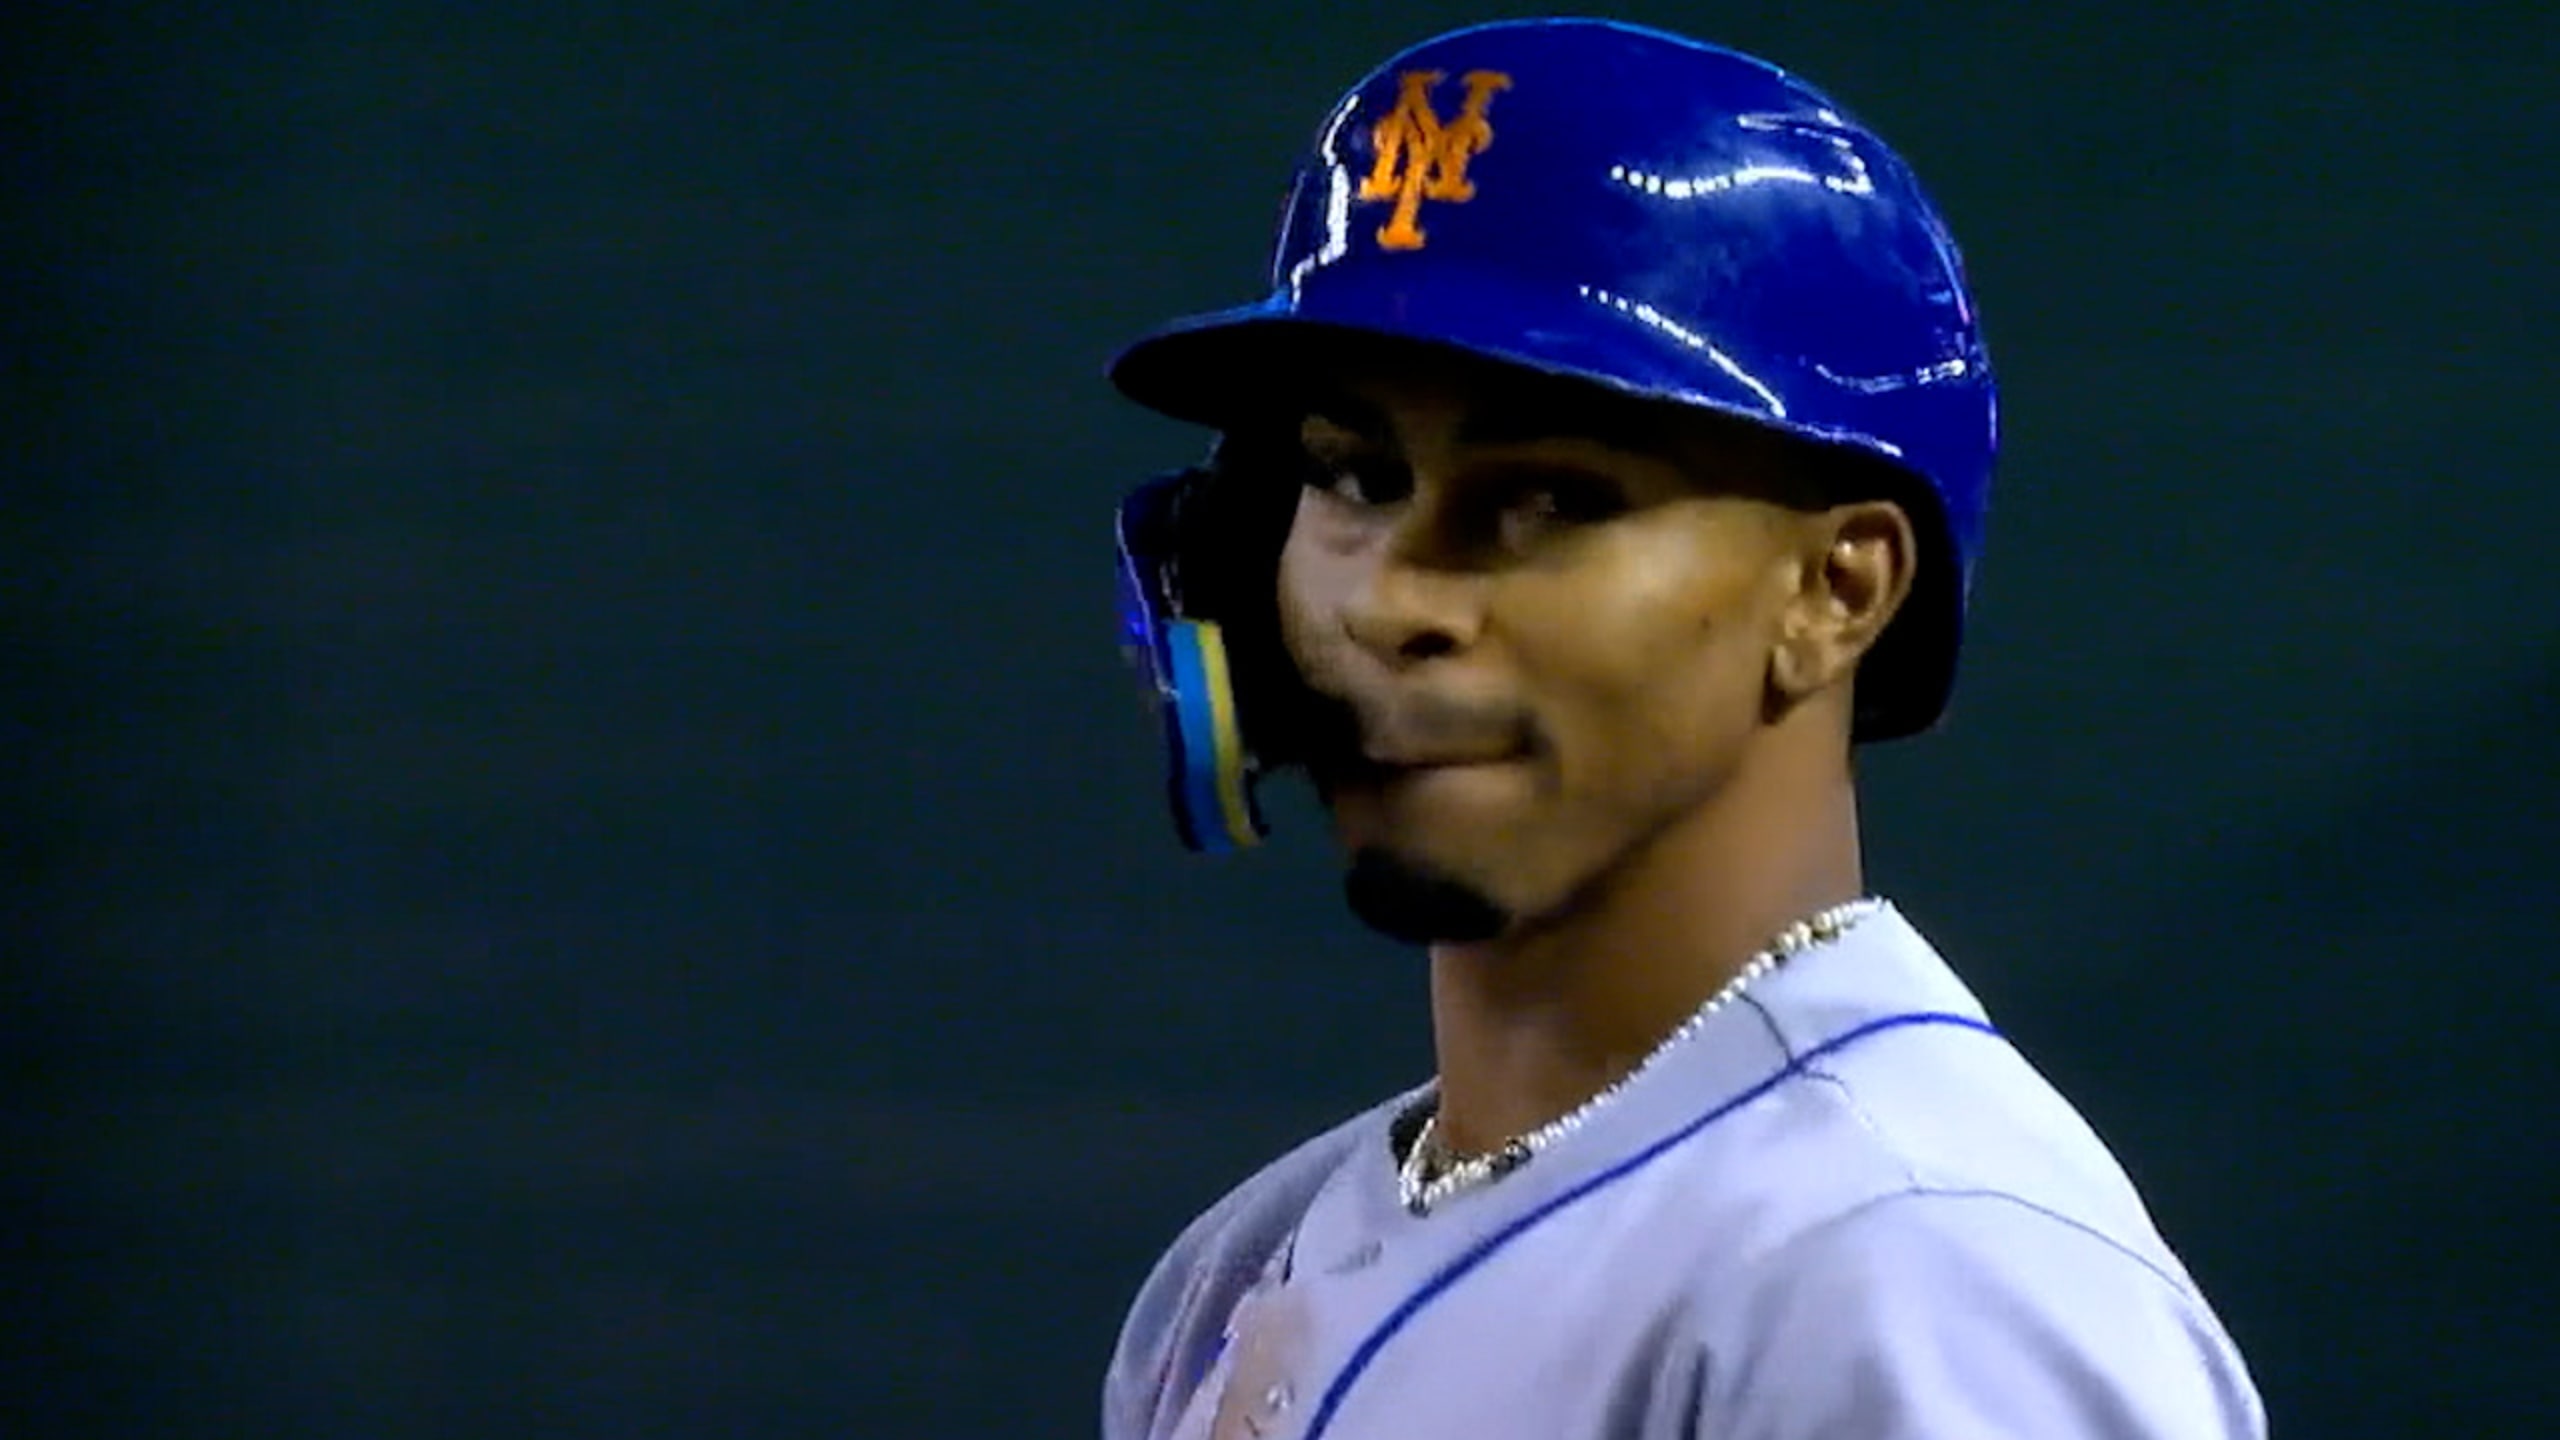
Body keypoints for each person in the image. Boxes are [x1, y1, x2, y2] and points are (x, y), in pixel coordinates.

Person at [1101, 18, 2264, 1439]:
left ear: (1839, 592)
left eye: (1552, 499)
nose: (1397, 596)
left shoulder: (1923, 1278)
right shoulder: (1239, 1271)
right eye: (1354, 476)